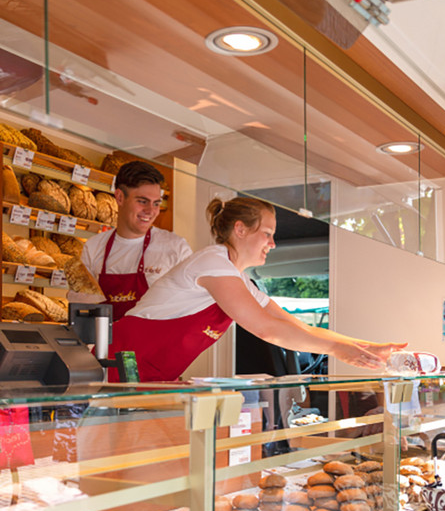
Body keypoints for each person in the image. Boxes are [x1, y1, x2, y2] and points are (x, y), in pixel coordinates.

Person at [106, 196, 406, 381]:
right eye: (267, 233)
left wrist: (363, 347)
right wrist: (336, 350)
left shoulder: (239, 279)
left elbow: (295, 325)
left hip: (149, 378)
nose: (272, 243)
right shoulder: (211, 262)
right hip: (115, 370)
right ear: (240, 229)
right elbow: (266, 329)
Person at [78, 161, 192, 319]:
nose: (150, 211)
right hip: (108, 343)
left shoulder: (176, 248)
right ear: (119, 197)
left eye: (156, 203)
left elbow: (189, 311)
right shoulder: (93, 247)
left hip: (156, 343)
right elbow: (84, 310)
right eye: (142, 201)